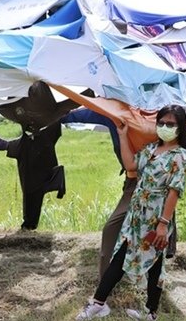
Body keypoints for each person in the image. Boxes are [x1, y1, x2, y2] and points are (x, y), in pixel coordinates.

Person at [76, 105, 186, 321]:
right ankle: (103, 304)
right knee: (121, 255)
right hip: (137, 215)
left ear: (180, 127)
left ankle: (141, 311)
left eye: (171, 124)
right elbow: (130, 164)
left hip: (157, 217)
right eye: (162, 123)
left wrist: (164, 224)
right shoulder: (150, 150)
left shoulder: (180, 156)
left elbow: (174, 191)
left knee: (155, 263)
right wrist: (123, 136)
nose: (165, 127)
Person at [61, 105, 176, 277]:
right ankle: (105, 285)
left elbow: (175, 182)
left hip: (160, 186)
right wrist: (52, 113)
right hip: (133, 182)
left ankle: (151, 280)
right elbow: (76, 114)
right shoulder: (116, 111)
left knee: (156, 232)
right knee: (113, 229)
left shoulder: (166, 113)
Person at [5, 120, 65, 230]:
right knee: (32, 197)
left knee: (32, 197)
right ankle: (29, 224)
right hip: (34, 173)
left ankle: (29, 224)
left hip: (36, 172)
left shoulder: (45, 135)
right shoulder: (26, 141)